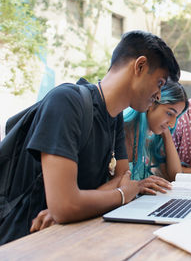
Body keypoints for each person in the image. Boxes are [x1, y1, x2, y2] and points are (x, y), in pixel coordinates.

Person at [0, 30, 180, 245]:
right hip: (25, 240)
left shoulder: (114, 116)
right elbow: (66, 205)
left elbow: (124, 178)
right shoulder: (67, 101)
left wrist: (78, 204)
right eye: (159, 83)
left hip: (70, 235)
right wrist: (122, 194)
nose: (158, 95)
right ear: (140, 66)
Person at [123, 79, 188, 182]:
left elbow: (175, 176)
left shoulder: (149, 140)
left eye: (176, 116)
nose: (172, 124)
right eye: (170, 113)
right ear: (152, 103)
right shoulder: (121, 132)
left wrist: (166, 134)